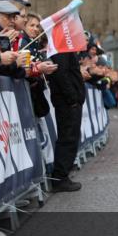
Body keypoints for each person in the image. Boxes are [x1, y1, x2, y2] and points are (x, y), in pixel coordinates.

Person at [45, 46, 86, 192]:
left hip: (69, 101)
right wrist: (72, 98)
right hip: (67, 102)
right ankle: (60, 178)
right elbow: (61, 73)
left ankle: (62, 176)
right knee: (68, 137)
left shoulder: (64, 46)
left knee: (70, 137)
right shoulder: (61, 47)